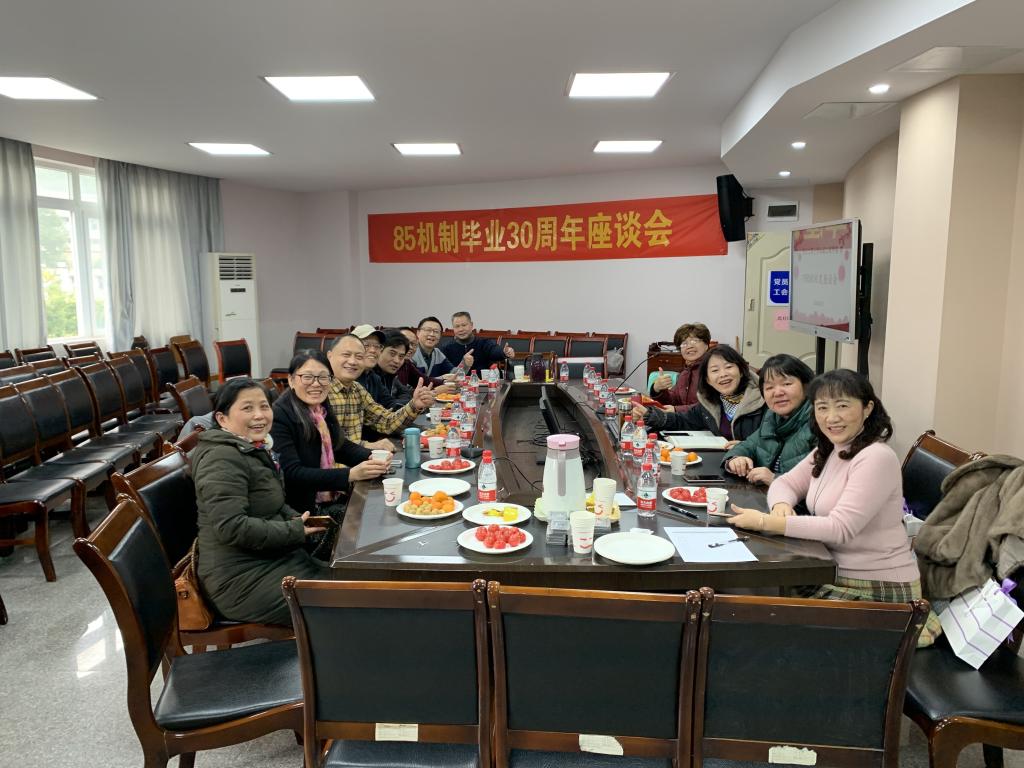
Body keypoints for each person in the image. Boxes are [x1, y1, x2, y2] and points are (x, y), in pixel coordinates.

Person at [728, 369, 940, 646]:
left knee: (747, 611)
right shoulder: (829, 448)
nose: (831, 417)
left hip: (877, 590)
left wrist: (766, 522)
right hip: (829, 569)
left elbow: (840, 528)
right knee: (741, 599)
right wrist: (780, 506)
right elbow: (785, 483)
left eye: (842, 406)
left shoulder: (876, 457)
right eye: (822, 407)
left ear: (867, 408)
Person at [192, 378, 328, 626]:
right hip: (239, 581)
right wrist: (294, 530)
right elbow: (231, 527)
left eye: (264, 406)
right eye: (247, 408)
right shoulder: (221, 458)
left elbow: (272, 502)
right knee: (346, 600)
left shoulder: (251, 448)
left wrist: (296, 519)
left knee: (356, 585)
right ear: (222, 419)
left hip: (272, 558)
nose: (259, 415)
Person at [270, 350, 391, 517]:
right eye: (307, 377)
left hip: (327, 497)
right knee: (376, 514)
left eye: (323, 377)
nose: (316, 384)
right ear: (291, 380)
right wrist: (350, 474)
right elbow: (292, 474)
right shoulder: (279, 415)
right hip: (302, 511)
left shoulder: (319, 408)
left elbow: (339, 445)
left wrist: (371, 456)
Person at [633, 345, 765, 443]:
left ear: (741, 371)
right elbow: (683, 420)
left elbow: (771, 443)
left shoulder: (763, 401)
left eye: (729, 367)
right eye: (715, 370)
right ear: (708, 380)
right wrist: (649, 415)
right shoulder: (711, 403)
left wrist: (746, 448)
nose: (723, 374)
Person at [326, 334, 433, 450]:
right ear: (330, 356)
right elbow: (322, 443)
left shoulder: (357, 389)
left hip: (360, 459)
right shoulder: (320, 389)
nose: (352, 361)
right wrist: (366, 445)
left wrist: (415, 405)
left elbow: (386, 422)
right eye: (346, 355)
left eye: (359, 356)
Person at [722, 353, 815, 485]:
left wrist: (775, 479)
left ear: (806, 386)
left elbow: (825, 480)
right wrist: (735, 459)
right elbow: (748, 445)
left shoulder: (820, 423)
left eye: (787, 384)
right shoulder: (773, 417)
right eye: (769, 387)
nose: (777, 393)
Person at [649, 322, 711, 412]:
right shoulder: (685, 373)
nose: (689, 346)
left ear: (706, 345)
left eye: (695, 341)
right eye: (684, 343)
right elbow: (673, 400)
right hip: (683, 420)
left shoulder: (712, 370)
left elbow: (710, 406)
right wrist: (657, 389)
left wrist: (676, 410)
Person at [441, 311, 515, 374]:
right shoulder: (446, 348)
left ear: (471, 325)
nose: (461, 329)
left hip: (482, 383)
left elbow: (494, 350)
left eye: (464, 325)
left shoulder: (483, 343)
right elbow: (444, 371)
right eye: (457, 326)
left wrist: (504, 352)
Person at [351, 324, 401, 408]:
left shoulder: (374, 377)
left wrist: (415, 405)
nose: (373, 350)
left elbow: (390, 403)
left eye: (377, 346)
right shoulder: (347, 378)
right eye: (366, 345)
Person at [375, 330, 415, 407]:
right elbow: (385, 405)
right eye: (392, 354)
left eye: (401, 356)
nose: (397, 361)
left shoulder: (391, 375)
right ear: (379, 350)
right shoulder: (370, 375)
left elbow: (406, 394)